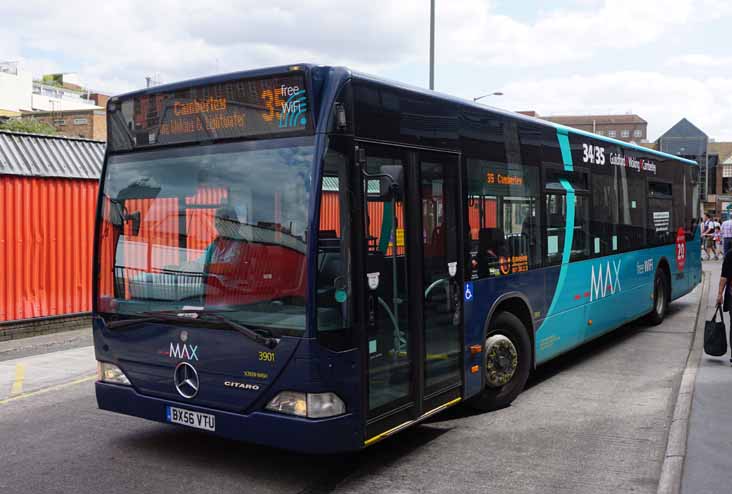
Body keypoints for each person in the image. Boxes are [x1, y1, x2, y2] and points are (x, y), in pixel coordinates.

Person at [715, 249, 732, 364]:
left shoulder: (730, 255)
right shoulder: (730, 255)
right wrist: (720, 294)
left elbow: (724, 277)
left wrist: (720, 294)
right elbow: (724, 277)